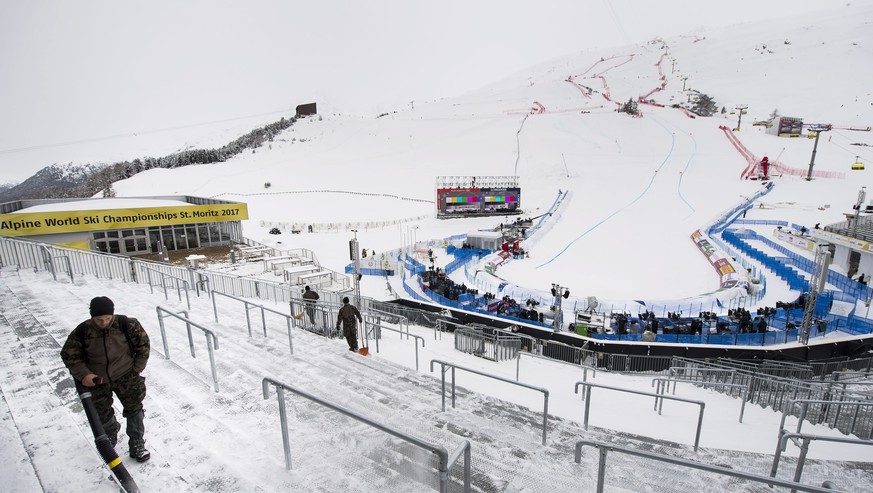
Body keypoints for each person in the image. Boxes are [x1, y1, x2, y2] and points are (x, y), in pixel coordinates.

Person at [60, 296, 151, 462]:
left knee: (134, 408)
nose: (103, 323)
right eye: (99, 320)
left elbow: (143, 345)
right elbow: (69, 355)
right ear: (92, 316)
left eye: (107, 319)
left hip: (126, 375)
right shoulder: (82, 331)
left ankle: (136, 441)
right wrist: (84, 374)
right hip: (98, 380)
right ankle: (110, 431)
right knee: (101, 411)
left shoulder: (127, 325)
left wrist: (136, 370)